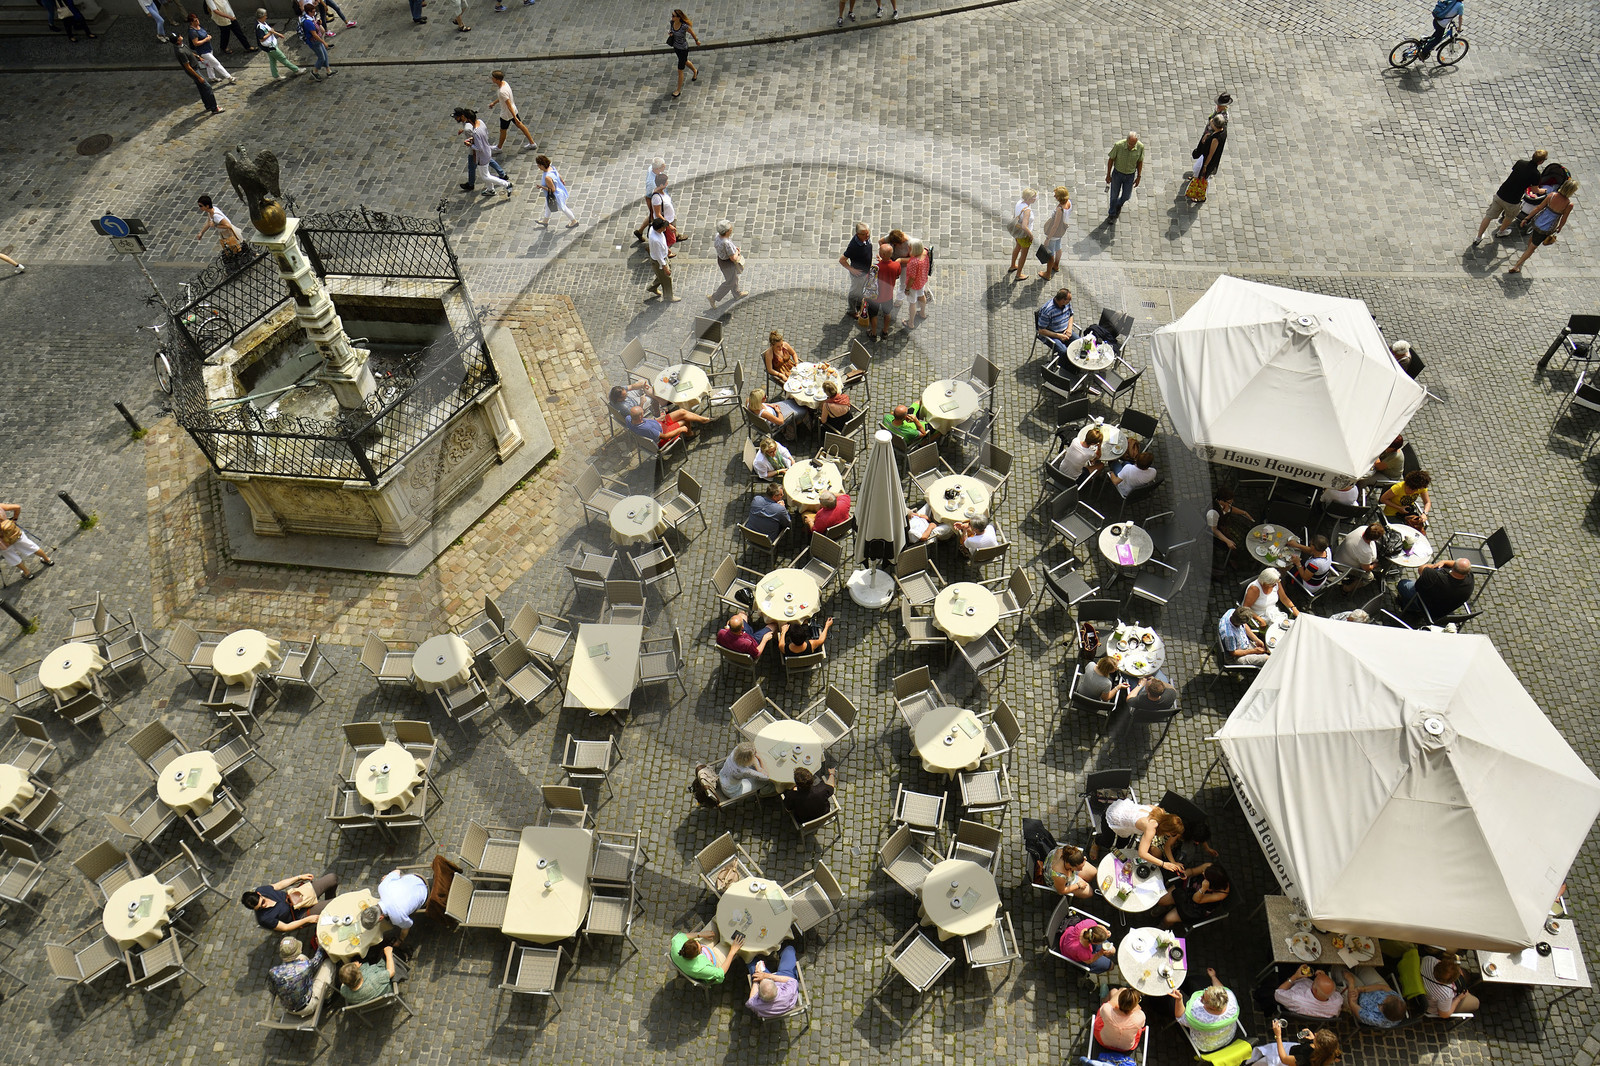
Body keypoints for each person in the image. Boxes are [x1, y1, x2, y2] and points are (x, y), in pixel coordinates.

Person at [1475, 149, 1548, 244]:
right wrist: (1543, 190)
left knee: (1488, 216)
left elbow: (1517, 176)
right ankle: (1501, 232)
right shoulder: (1536, 174)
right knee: (1510, 216)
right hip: (1513, 200)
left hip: (1501, 193)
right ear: (1541, 161)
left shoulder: (1520, 163)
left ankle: (1478, 237)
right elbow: (1535, 190)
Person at [1509, 177, 1578, 274]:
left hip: (1537, 221)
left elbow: (1538, 208)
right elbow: (1564, 218)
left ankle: (1524, 256)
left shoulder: (1552, 195)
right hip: (1546, 228)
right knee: (1533, 247)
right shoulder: (1569, 204)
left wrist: (1527, 218)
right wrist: (1559, 227)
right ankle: (1517, 265)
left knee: (1532, 238)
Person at [1098, 799, 1183, 871]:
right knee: (1107, 842)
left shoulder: (1160, 811)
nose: (1172, 836)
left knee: (1122, 844)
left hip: (1124, 816)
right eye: (1172, 834)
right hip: (1111, 816)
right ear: (1166, 829)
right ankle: (1096, 841)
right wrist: (1163, 864)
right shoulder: (1151, 826)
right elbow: (1142, 853)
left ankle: (1114, 858)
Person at [242, 872, 340, 932]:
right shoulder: (264, 919)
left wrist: (299, 877)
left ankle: (329, 904)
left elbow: (279, 885)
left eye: (262, 902)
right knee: (334, 904)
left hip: (298, 897)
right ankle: (330, 908)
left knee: (332, 878)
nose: (264, 906)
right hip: (300, 915)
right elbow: (285, 927)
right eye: (259, 908)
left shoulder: (262, 889)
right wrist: (307, 920)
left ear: (259, 893)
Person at [1173, 969, 1240, 1053]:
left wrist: (1179, 1000)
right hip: (1225, 1038)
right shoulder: (1230, 998)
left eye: (1203, 999)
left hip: (1205, 1044)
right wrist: (1213, 976)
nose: (1201, 997)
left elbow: (1180, 1017)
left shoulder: (1199, 1018)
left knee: (1171, 1001)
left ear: (1211, 1007)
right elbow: (1220, 988)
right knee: (1193, 982)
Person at [268, 937, 334, 1016]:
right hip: (307, 1006)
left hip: (288, 1008)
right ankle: (327, 998)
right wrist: (320, 947)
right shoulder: (305, 966)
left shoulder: (273, 972)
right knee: (329, 963)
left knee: (302, 957)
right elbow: (318, 960)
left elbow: (273, 990)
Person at [1398, 557, 1474, 618]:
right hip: (1445, 609)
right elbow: (1458, 565)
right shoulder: (1470, 578)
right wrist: (1444, 562)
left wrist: (1434, 566)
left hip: (1428, 607)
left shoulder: (1435, 577)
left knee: (1403, 584)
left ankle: (1411, 608)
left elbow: (1421, 569)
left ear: (1453, 568)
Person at [1159, 862, 1230, 927]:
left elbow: (1196, 899)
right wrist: (1185, 873)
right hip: (1187, 889)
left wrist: (1203, 889)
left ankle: (1162, 927)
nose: (1202, 873)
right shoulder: (1209, 867)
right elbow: (1192, 871)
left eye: (1204, 876)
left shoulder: (1221, 893)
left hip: (1196, 906)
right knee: (1161, 901)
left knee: (1167, 919)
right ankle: (1167, 907)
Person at [462, 109, 512, 199]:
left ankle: (506, 184)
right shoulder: (481, 122)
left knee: (485, 176)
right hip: (487, 150)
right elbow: (485, 134)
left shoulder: (475, 132)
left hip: (482, 156)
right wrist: (473, 139)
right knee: (486, 172)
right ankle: (490, 189)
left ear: (468, 119)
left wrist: (470, 144)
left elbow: (479, 148)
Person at [745, 943, 802, 1018]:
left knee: (750, 960)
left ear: (758, 993)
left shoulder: (755, 1004)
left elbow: (751, 999)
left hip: (769, 980)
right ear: (777, 988)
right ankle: (780, 948)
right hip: (783, 980)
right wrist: (768, 976)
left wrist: (756, 979)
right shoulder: (788, 993)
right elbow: (792, 980)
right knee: (789, 949)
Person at [670, 926, 742, 984]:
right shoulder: (700, 968)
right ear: (696, 956)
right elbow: (720, 973)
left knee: (716, 922)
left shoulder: (677, 944)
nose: (701, 946)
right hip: (715, 960)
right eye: (700, 949)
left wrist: (700, 935)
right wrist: (732, 951)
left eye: (698, 943)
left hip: (706, 950)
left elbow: (683, 936)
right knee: (732, 942)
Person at [1343, 965, 1407, 1027]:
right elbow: (1383, 988)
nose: (1386, 996)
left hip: (1358, 1001)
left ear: (1382, 1007)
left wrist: (1351, 982)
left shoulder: (1373, 1018)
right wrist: (1361, 989)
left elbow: (1352, 1004)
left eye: (1386, 999)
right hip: (1373, 988)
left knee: (1341, 972)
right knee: (1363, 965)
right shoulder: (1397, 1001)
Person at [487, 71, 537, 150]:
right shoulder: (505, 83)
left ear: (497, 79)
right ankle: (532, 143)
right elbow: (502, 99)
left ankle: (499, 147)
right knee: (521, 126)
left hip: (506, 114)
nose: (491, 79)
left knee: (503, 130)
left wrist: (515, 118)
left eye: (493, 78)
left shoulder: (502, 91)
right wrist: (494, 103)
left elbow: (508, 104)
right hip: (513, 110)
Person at [174, 38, 224, 114]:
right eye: (179, 36)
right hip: (194, 71)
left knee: (202, 88)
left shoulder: (182, 45)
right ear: (178, 41)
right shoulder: (180, 51)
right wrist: (198, 77)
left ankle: (208, 105)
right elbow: (188, 67)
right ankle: (214, 108)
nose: (181, 36)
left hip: (196, 68)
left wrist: (197, 56)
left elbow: (189, 52)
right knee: (207, 88)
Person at [1274, 966, 1345, 1019]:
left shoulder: (1296, 998)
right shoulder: (1338, 1001)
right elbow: (1332, 990)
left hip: (1292, 983)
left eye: (1314, 981)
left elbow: (1278, 993)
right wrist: (1323, 976)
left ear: (1314, 990)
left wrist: (1295, 976)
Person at [0, 505, 51, 578]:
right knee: (31, 546)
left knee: (12, 556)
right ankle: (47, 560)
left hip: (2, 543)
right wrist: (14, 519)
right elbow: (17, 507)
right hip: (13, 533)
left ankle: (27, 573)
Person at [1260, 1021, 1342, 1066]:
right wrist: (1313, 1039)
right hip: (1292, 1049)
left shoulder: (1305, 1059)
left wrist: (1278, 1035)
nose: (1315, 1034)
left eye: (1317, 1037)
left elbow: (1284, 1059)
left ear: (1318, 1047)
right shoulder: (1331, 1051)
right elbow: (1338, 1059)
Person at [1105, 132, 1145, 222]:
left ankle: (1118, 204)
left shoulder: (1140, 147)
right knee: (1114, 195)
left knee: (1126, 196)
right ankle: (1112, 214)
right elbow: (1111, 159)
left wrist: (1139, 176)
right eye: (1130, 144)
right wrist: (1108, 174)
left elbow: (1140, 161)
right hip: (1117, 174)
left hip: (1130, 175)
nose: (1131, 146)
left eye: (1133, 144)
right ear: (1127, 140)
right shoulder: (1119, 145)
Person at [376, 868, 428, 936]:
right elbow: (397, 871)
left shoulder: (397, 918)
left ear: (381, 918)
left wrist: (400, 940)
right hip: (416, 878)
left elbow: (408, 925)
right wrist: (388, 877)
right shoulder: (381, 887)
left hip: (425, 892)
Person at [1188, 114, 1227, 203]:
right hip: (1205, 157)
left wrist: (1205, 165)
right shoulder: (1222, 130)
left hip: (1208, 161)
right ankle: (1195, 179)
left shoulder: (1216, 139)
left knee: (1204, 178)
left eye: (1213, 122)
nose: (1211, 123)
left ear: (1215, 126)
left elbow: (1211, 154)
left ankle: (1201, 197)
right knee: (1198, 171)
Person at [1334, 523, 1385, 589]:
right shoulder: (1366, 551)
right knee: (1369, 577)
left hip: (1339, 553)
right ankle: (1346, 588)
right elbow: (1366, 568)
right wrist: (1375, 565)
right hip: (1342, 565)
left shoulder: (1362, 528)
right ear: (1375, 539)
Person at [867, 241, 901, 341]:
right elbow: (897, 275)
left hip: (875, 297)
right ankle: (885, 331)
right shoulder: (896, 265)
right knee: (887, 313)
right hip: (888, 295)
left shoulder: (875, 268)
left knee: (873, 315)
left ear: (882, 254)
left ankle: (873, 333)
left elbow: (869, 281)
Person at [186, 13, 234, 83]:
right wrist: (206, 39)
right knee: (216, 63)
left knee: (209, 64)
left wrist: (208, 36)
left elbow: (204, 34)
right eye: (195, 21)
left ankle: (212, 77)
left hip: (208, 48)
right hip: (203, 51)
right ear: (191, 22)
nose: (197, 21)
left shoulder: (199, 26)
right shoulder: (192, 32)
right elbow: (196, 43)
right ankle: (229, 77)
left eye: (197, 19)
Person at [708, 219, 747, 304]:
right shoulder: (726, 243)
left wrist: (733, 248)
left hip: (721, 260)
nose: (731, 230)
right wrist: (737, 252)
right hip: (728, 263)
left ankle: (737, 294)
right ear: (726, 232)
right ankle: (714, 297)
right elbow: (733, 258)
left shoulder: (718, 236)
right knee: (730, 282)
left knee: (733, 277)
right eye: (730, 229)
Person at [628, 403, 704, 446]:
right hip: (664, 432)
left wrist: (655, 420)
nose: (644, 413)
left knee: (682, 412)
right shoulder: (647, 429)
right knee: (684, 420)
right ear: (640, 416)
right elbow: (665, 437)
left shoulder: (629, 418)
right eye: (642, 412)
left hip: (660, 424)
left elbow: (644, 419)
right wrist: (681, 429)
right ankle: (689, 435)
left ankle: (703, 419)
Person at [1205, 487, 1255, 552]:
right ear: (1221, 500)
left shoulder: (1224, 503)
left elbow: (1231, 509)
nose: (1230, 504)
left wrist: (1244, 513)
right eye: (1229, 502)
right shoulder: (1212, 513)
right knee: (1238, 544)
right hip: (1220, 528)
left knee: (1246, 533)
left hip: (1227, 522)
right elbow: (1214, 530)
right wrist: (1227, 541)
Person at [253, 10, 301, 77]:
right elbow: (261, 38)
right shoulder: (259, 27)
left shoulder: (263, 23)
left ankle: (275, 76)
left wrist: (278, 34)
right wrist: (270, 33)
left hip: (271, 45)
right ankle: (296, 70)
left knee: (273, 61)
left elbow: (270, 30)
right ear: (261, 16)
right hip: (271, 47)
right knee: (283, 58)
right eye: (265, 15)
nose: (266, 17)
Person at [535, 155, 578, 228]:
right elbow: (558, 175)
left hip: (556, 195)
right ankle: (545, 221)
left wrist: (541, 187)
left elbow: (552, 189)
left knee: (563, 208)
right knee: (547, 205)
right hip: (559, 190)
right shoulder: (551, 167)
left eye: (538, 165)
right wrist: (562, 180)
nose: (538, 166)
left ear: (542, 165)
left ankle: (574, 221)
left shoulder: (547, 177)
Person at [839, 222, 874, 311]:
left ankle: (859, 303)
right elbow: (842, 260)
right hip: (858, 275)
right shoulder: (853, 247)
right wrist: (851, 269)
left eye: (868, 233)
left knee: (861, 290)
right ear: (858, 234)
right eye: (864, 234)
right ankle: (851, 310)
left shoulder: (866, 238)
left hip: (865, 271)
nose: (867, 236)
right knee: (854, 293)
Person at [1039, 186, 1071, 281]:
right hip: (1061, 231)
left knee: (1050, 253)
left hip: (1055, 233)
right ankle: (1056, 265)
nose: (1054, 196)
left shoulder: (1059, 210)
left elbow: (1055, 226)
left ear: (1060, 197)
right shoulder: (1069, 203)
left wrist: (1048, 238)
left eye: (1056, 195)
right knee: (1058, 247)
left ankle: (1047, 274)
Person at [1035, 288, 1078, 356]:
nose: (1070, 301)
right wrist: (1059, 336)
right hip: (1052, 335)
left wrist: (1069, 329)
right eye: (1068, 300)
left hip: (1065, 331)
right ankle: (1063, 364)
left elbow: (1071, 315)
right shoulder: (1048, 311)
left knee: (1078, 343)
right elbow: (1041, 331)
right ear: (1062, 300)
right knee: (1064, 351)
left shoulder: (1067, 304)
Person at [634, 158, 668, 243]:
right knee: (655, 216)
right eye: (663, 166)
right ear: (657, 168)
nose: (665, 167)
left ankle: (640, 231)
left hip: (656, 197)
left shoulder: (652, 168)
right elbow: (650, 196)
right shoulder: (652, 183)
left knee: (652, 216)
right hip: (653, 199)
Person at [667, 9, 700, 98]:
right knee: (685, 61)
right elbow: (671, 31)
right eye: (672, 15)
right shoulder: (672, 22)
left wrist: (696, 41)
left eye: (673, 16)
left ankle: (678, 90)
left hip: (683, 49)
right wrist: (670, 33)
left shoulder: (684, 26)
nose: (672, 17)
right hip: (676, 47)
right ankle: (695, 71)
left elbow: (692, 33)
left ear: (678, 17)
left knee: (680, 70)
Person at [645, 217, 677, 301]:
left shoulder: (653, 228)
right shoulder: (655, 240)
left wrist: (666, 249)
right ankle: (669, 297)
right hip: (659, 260)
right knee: (666, 278)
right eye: (664, 227)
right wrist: (664, 267)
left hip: (663, 255)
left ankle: (652, 287)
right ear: (660, 229)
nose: (666, 228)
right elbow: (659, 256)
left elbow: (661, 244)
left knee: (662, 276)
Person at [297, 3, 333, 79]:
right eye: (313, 11)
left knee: (325, 55)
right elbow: (314, 35)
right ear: (308, 12)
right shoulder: (308, 22)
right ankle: (315, 71)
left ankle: (328, 71)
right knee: (321, 58)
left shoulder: (311, 17)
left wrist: (318, 23)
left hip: (317, 41)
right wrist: (324, 42)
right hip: (314, 42)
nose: (314, 13)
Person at [901, 239, 931, 328]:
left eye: (909, 248)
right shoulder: (925, 252)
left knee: (912, 303)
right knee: (921, 296)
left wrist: (907, 289)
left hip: (913, 286)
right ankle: (922, 313)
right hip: (922, 281)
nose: (908, 249)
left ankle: (910, 323)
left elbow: (912, 278)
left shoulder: (914, 262)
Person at [1008, 187, 1036, 280]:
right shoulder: (1027, 210)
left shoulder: (1019, 203)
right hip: (1024, 235)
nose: (1035, 199)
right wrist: (1031, 235)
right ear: (1028, 199)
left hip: (1017, 232)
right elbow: (1024, 226)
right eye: (1033, 197)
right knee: (1023, 255)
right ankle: (1018, 274)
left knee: (1017, 247)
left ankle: (1012, 265)